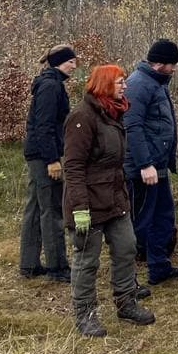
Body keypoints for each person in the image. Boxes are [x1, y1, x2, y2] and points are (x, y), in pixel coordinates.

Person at [64, 64, 155, 337]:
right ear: (104, 85)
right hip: (88, 204)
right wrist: (80, 209)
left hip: (115, 199)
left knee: (127, 248)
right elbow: (73, 167)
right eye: (119, 82)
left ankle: (126, 303)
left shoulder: (114, 113)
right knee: (87, 261)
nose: (124, 86)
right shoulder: (82, 117)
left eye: (124, 82)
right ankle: (85, 315)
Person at [124, 39, 178, 286]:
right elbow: (132, 126)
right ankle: (128, 280)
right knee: (140, 222)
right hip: (144, 169)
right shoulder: (139, 84)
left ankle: (159, 266)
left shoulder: (157, 83)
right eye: (172, 64)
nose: (175, 69)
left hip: (158, 166)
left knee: (163, 217)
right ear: (160, 63)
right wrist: (144, 164)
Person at [19, 44, 77, 282]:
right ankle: (57, 266)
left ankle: (29, 264)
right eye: (70, 62)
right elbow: (44, 126)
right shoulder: (51, 86)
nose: (74, 66)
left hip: (38, 153)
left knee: (34, 208)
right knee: (52, 209)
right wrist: (52, 160)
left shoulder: (49, 83)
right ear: (59, 62)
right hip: (44, 156)